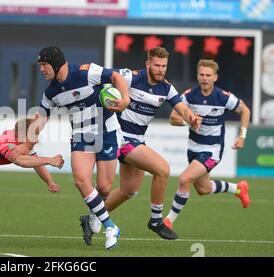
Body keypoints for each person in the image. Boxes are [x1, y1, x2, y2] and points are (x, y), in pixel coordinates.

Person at [81, 47, 201, 243]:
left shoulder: (167, 88)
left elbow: (182, 109)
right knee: (162, 170)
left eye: (164, 66)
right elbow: (108, 76)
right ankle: (156, 220)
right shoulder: (131, 77)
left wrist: (192, 119)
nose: (161, 69)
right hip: (119, 137)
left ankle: (92, 216)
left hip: (137, 139)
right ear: (148, 64)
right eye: (157, 65)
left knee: (129, 190)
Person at [36, 46, 130, 249]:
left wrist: (125, 99)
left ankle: (91, 216)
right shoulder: (51, 92)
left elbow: (116, 77)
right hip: (82, 135)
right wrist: (26, 142)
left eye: (44, 65)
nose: (42, 69)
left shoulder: (86, 72)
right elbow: (41, 118)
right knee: (81, 180)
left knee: (105, 187)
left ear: (56, 64)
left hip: (107, 131)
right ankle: (111, 227)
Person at [164, 59, 251, 230]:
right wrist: (188, 122)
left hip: (212, 150)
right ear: (197, 76)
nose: (205, 78)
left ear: (215, 77)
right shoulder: (189, 95)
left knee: (184, 179)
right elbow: (173, 118)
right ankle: (238, 189)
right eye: (202, 75)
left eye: (208, 75)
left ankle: (167, 222)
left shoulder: (222, 97)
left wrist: (242, 136)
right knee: (203, 189)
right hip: (193, 148)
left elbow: (245, 110)